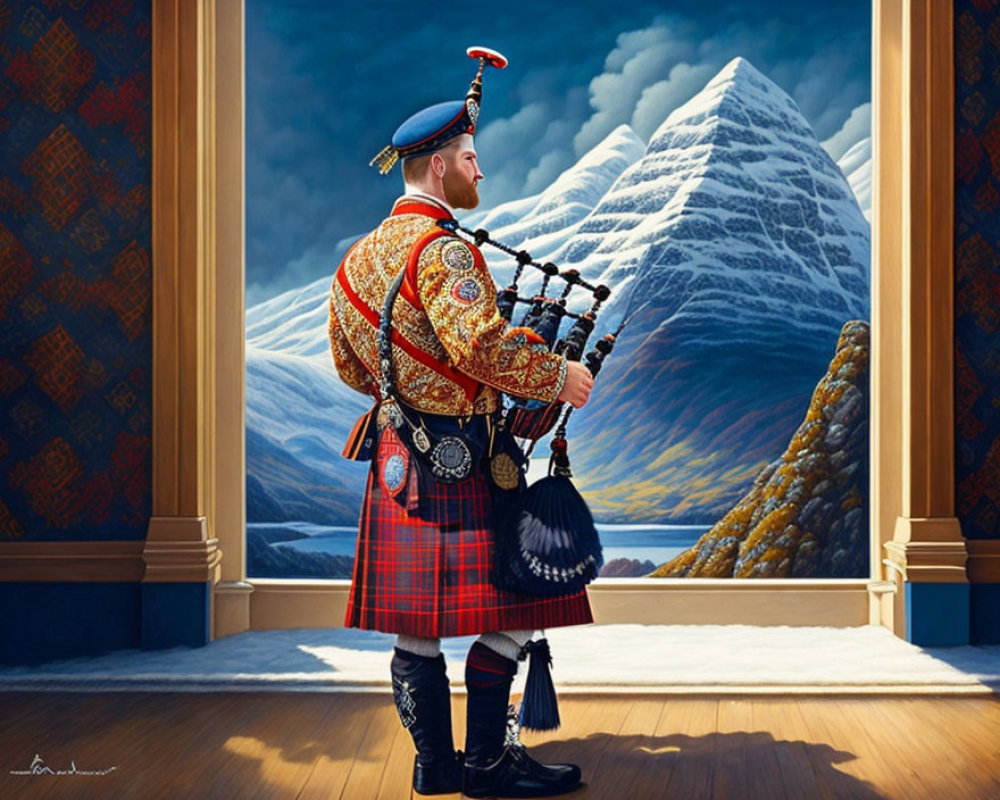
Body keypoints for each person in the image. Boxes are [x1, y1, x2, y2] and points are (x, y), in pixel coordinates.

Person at [327, 48, 595, 797]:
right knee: (520, 607)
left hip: (396, 461)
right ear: (439, 167)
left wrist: (404, 387)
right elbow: (479, 345)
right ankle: (485, 766)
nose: (481, 171)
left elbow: (352, 369)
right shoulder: (444, 253)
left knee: (416, 627)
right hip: (466, 457)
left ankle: (433, 766)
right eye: (471, 158)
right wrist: (557, 375)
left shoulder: (355, 262)